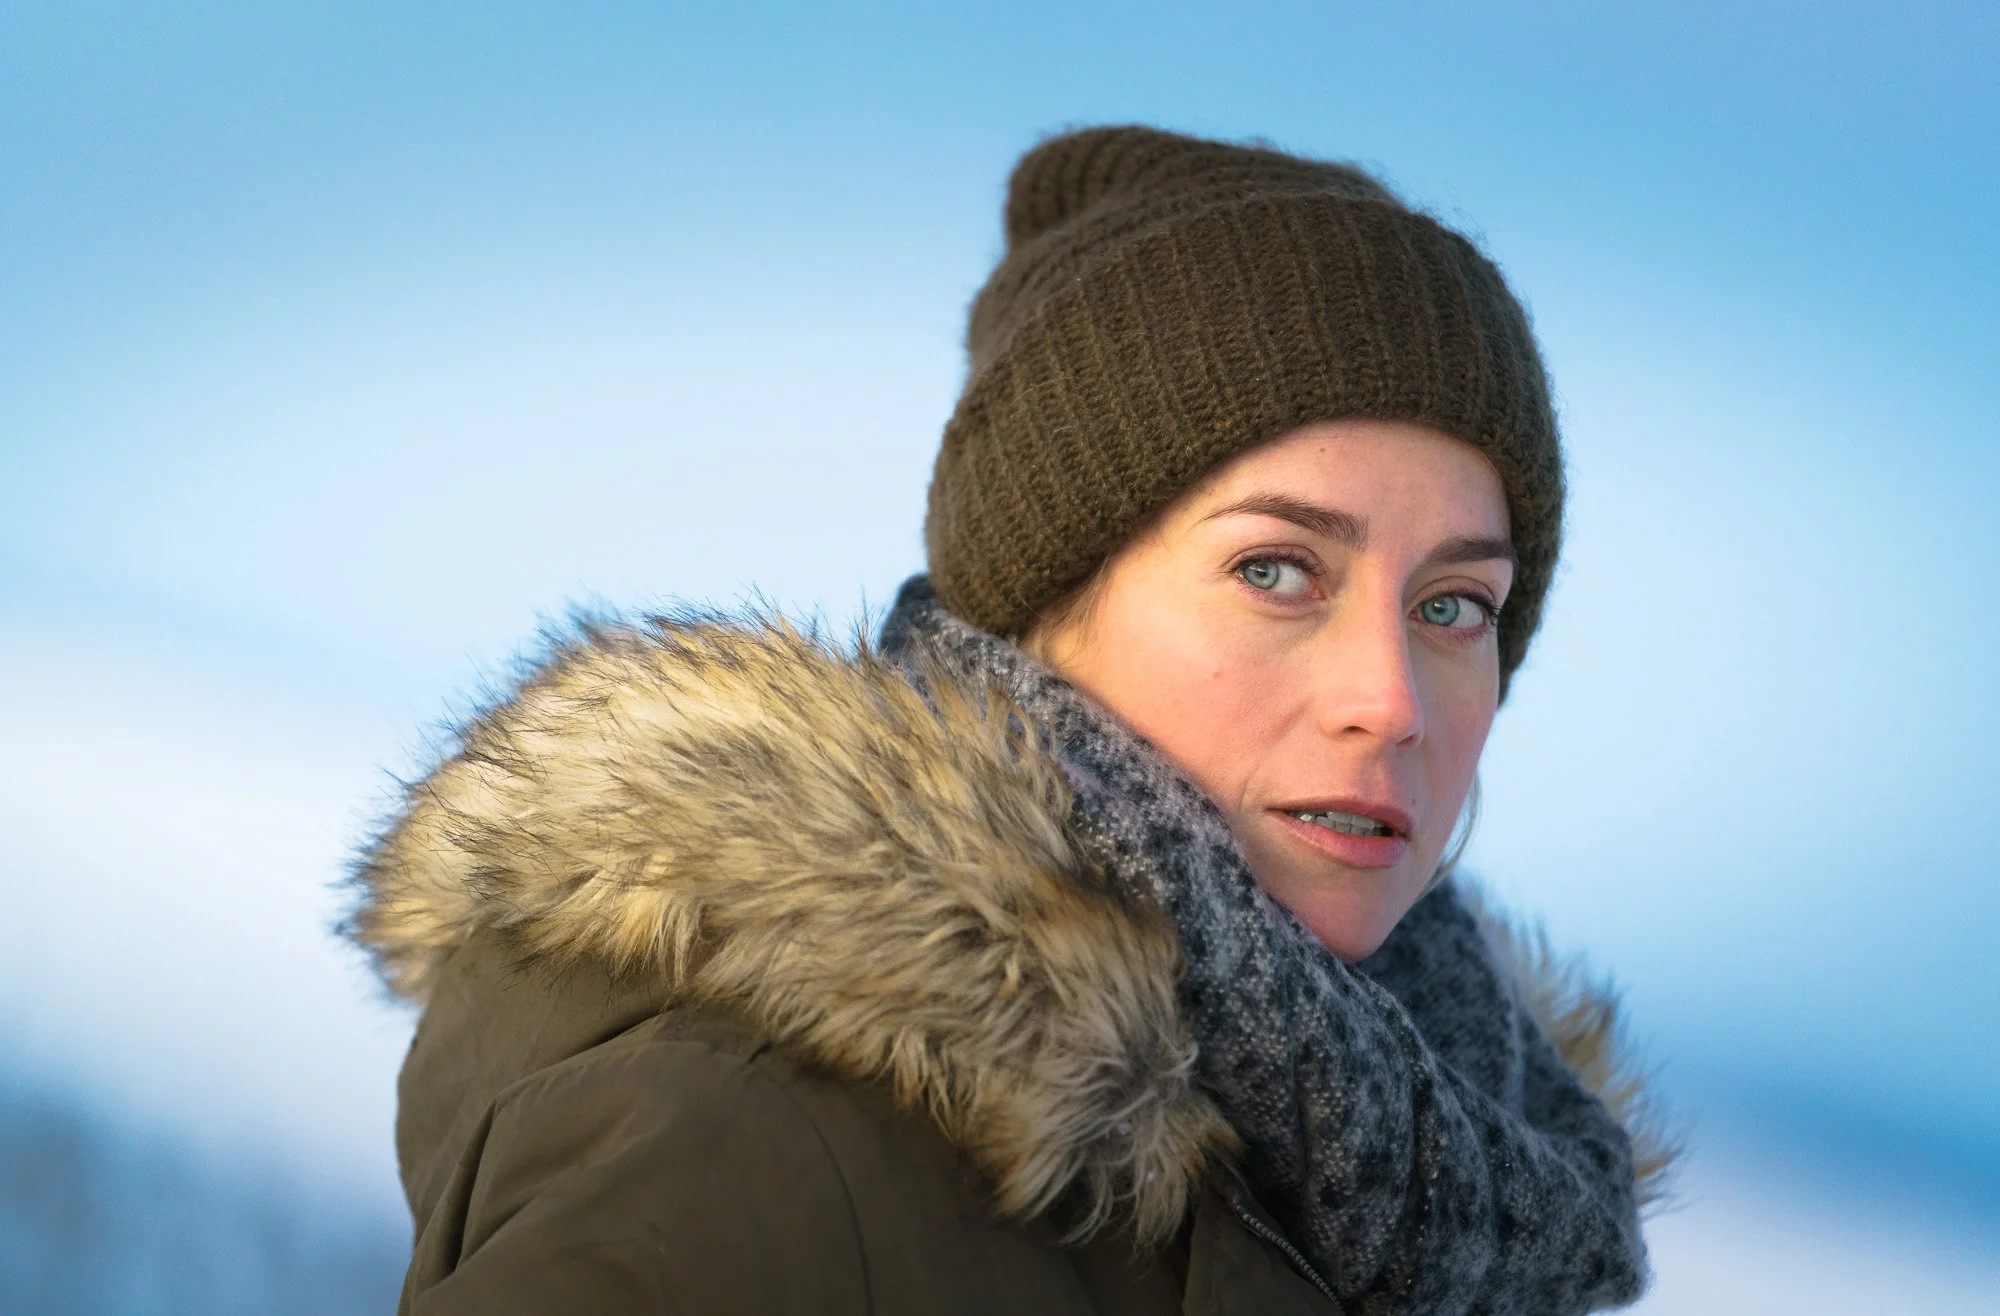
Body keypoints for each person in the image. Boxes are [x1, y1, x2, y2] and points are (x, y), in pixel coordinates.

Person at [349, 125, 1674, 1314]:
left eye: (1456, 606)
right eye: (1277, 571)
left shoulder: (1456, 1190)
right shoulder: (756, 1148)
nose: (1388, 699)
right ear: (1043, 605)